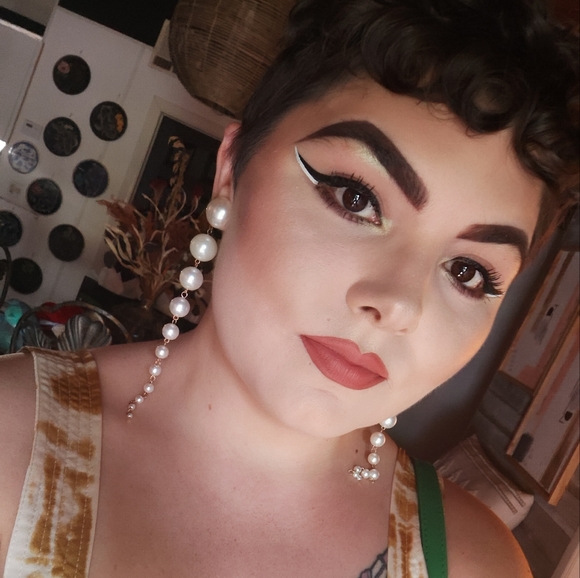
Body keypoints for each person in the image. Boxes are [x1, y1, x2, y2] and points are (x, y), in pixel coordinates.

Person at [0, 0, 577, 576]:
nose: (400, 303)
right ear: (231, 171)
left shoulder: (479, 564)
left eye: (468, 272)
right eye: (356, 198)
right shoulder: (10, 436)